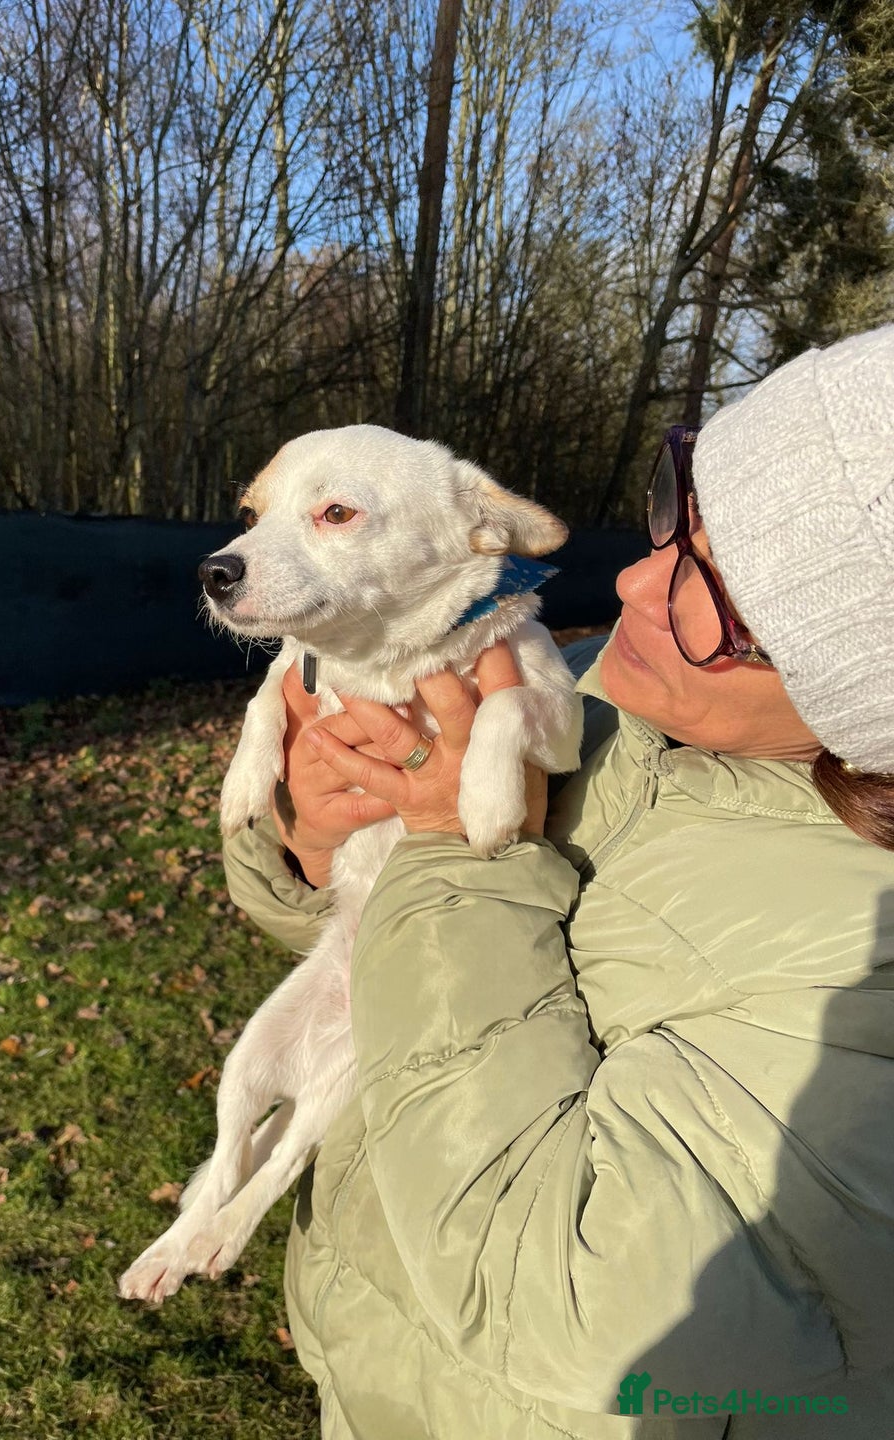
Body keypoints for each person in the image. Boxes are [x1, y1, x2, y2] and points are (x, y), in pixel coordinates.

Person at [222, 325, 894, 1438]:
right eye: (677, 508)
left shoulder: (861, 975)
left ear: (861, 686)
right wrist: (308, 846)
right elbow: (360, 939)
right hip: (383, 1376)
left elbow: (580, 1311)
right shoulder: (603, 699)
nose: (631, 575)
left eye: (712, 593)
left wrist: (448, 852)